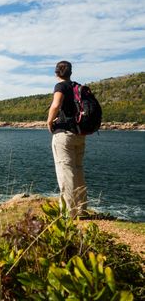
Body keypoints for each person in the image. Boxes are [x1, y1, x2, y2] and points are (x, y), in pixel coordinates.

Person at [47, 61, 87, 218]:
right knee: (78, 170)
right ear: (71, 72)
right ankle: (82, 210)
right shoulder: (77, 87)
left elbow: (56, 105)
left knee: (66, 171)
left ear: (56, 73)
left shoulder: (60, 86)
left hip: (64, 134)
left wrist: (49, 121)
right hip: (79, 134)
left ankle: (69, 213)